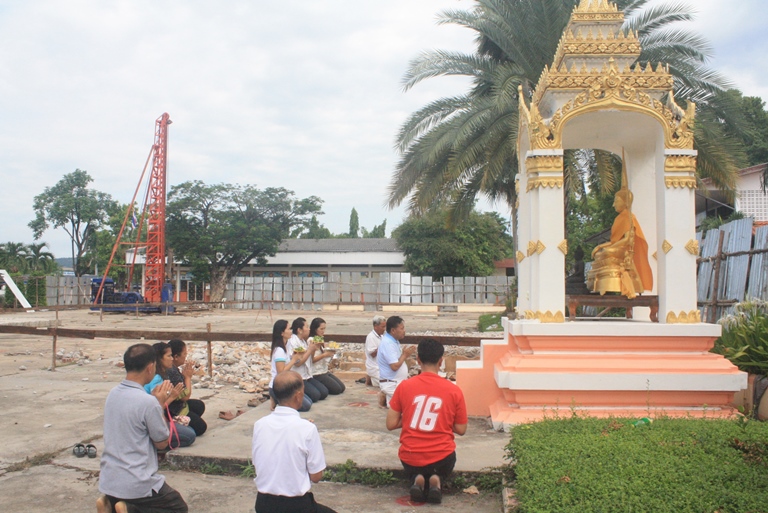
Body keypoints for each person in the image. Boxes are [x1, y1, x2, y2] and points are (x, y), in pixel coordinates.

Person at [97, 343, 188, 513]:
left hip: (109, 478)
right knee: (178, 508)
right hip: (136, 482)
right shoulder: (148, 402)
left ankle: (109, 503)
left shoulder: (113, 394)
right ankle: (130, 510)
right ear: (150, 367)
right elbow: (162, 443)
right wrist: (159, 405)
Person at [386, 338, 468, 505]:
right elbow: (461, 429)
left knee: (414, 466)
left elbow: (391, 424)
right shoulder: (454, 390)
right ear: (441, 361)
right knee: (445, 460)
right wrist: (442, 418)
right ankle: (437, 478)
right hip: (442, 458)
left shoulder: (404, 386)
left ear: (418, 360)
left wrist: (412, 415)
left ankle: (417, 478)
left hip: (411, 457)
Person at [251, 371, 337, 513]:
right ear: (298, 396)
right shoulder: (307, 429)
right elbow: (316, 476)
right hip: (296, 506)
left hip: (263, 503)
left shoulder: (259, 425)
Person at [144, 342, 196, 447]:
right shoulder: (157, 378)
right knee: (191, 435)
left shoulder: (163, 373)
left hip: (158, 414)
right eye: (169, 356)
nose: (172, 359)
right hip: (152, 419)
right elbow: (156, 407)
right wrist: (173, 396)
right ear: (159, 359)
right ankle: (155, 445)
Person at [167, 339, 207, 436]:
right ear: (176, 357)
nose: (186, 357)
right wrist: (187, 377)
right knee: (201, 427)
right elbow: (185, 396)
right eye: (184, 354)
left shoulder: (173, 369)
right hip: (174, 409)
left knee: (199, 405)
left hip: (178, 404)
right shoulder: (171, 371)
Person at [269, 319, 310, 411]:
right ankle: (276, 399)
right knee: (305, 406)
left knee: (309, 401)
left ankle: (277, 401)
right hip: (280, 386)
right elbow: (281, 373)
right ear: (282, 333)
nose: (291, 331)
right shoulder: (279, 350)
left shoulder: (286, 346)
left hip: (286, 385)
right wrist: (294, 360)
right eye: (288, 329)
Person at [377, 316, 416, 407]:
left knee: (394, 407)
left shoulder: (394, 341)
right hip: (392, 383)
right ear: (393, 330)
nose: (404, 331)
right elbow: (394, 366)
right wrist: (405, 355)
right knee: (409, 403)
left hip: (395, 381)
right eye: (401, 329)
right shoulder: (388, 343)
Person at [286, 317, 327, 404]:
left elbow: (309, 358)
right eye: (307, 327)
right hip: (299, 377)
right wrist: (310, 350)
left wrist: (315, 348)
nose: (309, 329)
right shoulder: (293, 341)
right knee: (315, 396)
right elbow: (298, 363)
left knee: (324, 393)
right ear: (299, 330)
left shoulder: (303, 341)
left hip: (307, 376)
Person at [309, 317, 345, 395]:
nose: (323, 331)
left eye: (324, 329)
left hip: (324, 370)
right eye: (321, 329)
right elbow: (312, 359)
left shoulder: (320, 339)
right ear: (315, 329)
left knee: (342, 387)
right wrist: (324, 355)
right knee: (336, 390)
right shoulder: (311, 341)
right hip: (316, 372)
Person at [364, 315, 386, 387]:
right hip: (374, 368)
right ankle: (371, 378)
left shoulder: (382, 336)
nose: (384, 329)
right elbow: (373, 354)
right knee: (386, 384)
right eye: (382, 327)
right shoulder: (371, 337)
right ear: (376, 326)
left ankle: (372, 379)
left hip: (382, 367)